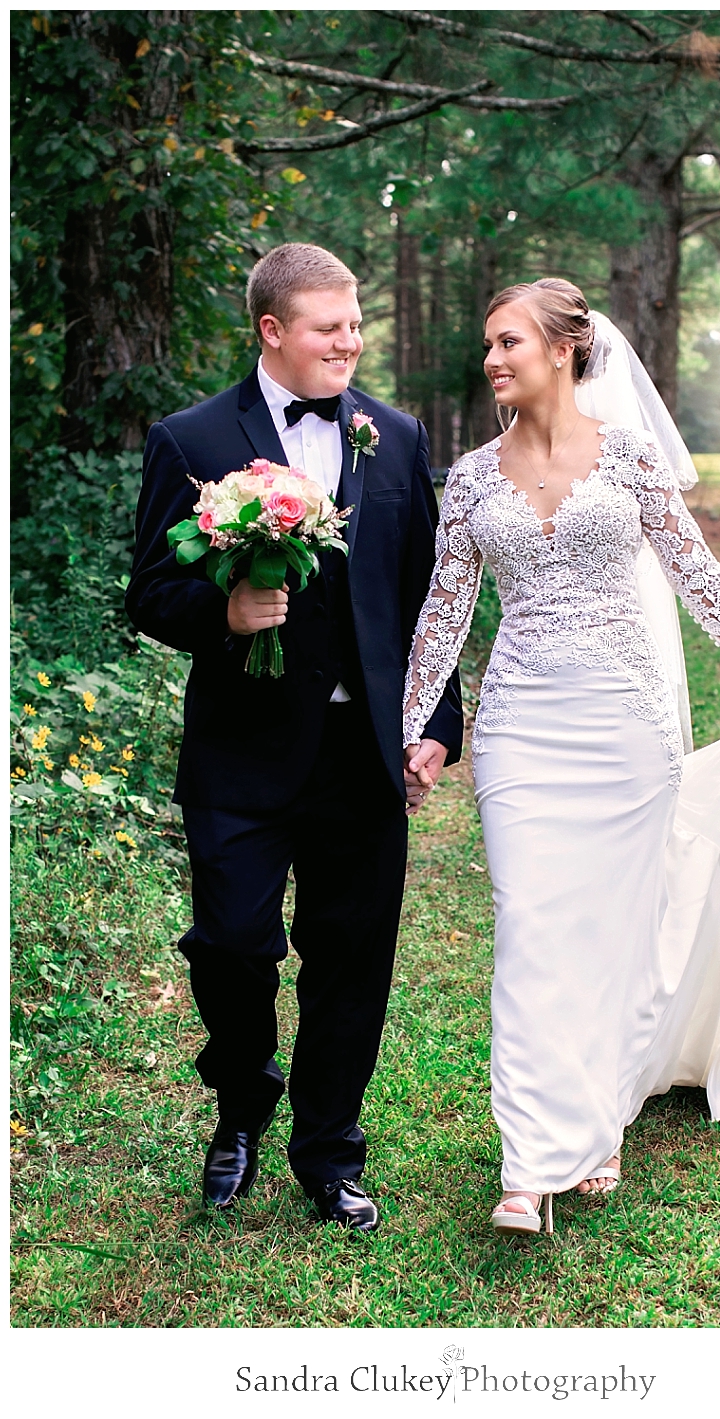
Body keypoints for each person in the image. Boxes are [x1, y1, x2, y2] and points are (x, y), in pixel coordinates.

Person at [403, 278, 720, 1235]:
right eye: (488, 344)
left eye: (508, 342)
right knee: (531, 927)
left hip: (624, 724)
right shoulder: (474, 475)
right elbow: (443, 609)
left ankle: (598, 1122)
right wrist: (414, 724)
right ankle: (527, 1165)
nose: (491, 360)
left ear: (564, 350)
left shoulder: (633, 458)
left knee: (615, 930)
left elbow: (695, 569)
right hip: (522, 723)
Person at [126, 242, 462, 1230]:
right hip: (240, 751)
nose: (350, 341)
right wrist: (223, 614)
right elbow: (149, 590)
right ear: (272, 331)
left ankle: (328, 1155)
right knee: (230, 945)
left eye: (356, 324)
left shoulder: (393, 438)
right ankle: (240, 1100)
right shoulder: (189, 439)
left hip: (364, 758)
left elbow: (427, 599)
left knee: (351, 960)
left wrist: (436, 724)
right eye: (329, 327)